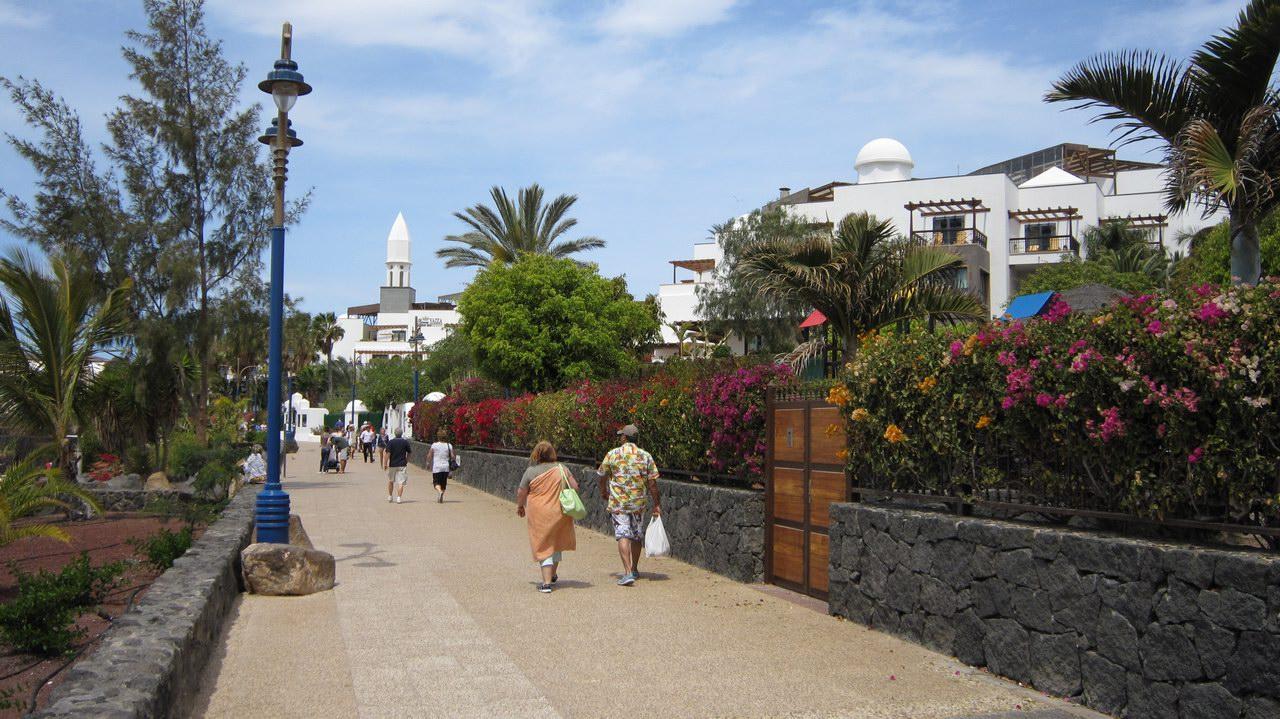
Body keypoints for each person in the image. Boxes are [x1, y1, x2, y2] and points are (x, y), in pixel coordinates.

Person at [597, 424, 661, 586]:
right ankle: (634, 568)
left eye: (621, 435)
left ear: (624, 437)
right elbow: (652, 483)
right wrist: (656, 504)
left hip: (619, 503)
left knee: (623, 534)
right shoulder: (645, 456)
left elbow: (602, 475)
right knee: (636, 535)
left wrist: (603, 491)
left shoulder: (613, 454)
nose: (620, 438)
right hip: (638, 503)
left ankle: (627, 572)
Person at [517, 441, 577, 593]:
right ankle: (553, 574)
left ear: (536, 454)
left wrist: (520, 506)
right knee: (555, 542)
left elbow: (521, 491)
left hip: (539, 513)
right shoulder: (562, 468)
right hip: (559, 511)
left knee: (543, 545)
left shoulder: (531, 471)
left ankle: (546, 583)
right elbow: (575, 487)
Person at [426, 430, 456, 504]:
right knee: (443, 483)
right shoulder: (449, 445)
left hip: (437, 467)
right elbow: (452, 456)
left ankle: (439, 492)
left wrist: (428, 463)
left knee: (436, 483)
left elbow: (429, 455)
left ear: (438, 437)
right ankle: (441, 495)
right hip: (445, 467)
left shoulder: (434, 445)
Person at [385, 429, 412, 503]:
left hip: (392, 464)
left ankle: (390, 496)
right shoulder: (405, 442)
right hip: (402, 464)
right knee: (401, 482)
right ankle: (399, 497)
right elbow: (409, 452)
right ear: (401, 434)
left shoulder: (391, 442)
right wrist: (407, 460)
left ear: (394, 433)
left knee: (391, 480)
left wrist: (385, 463)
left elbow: (388, 454)